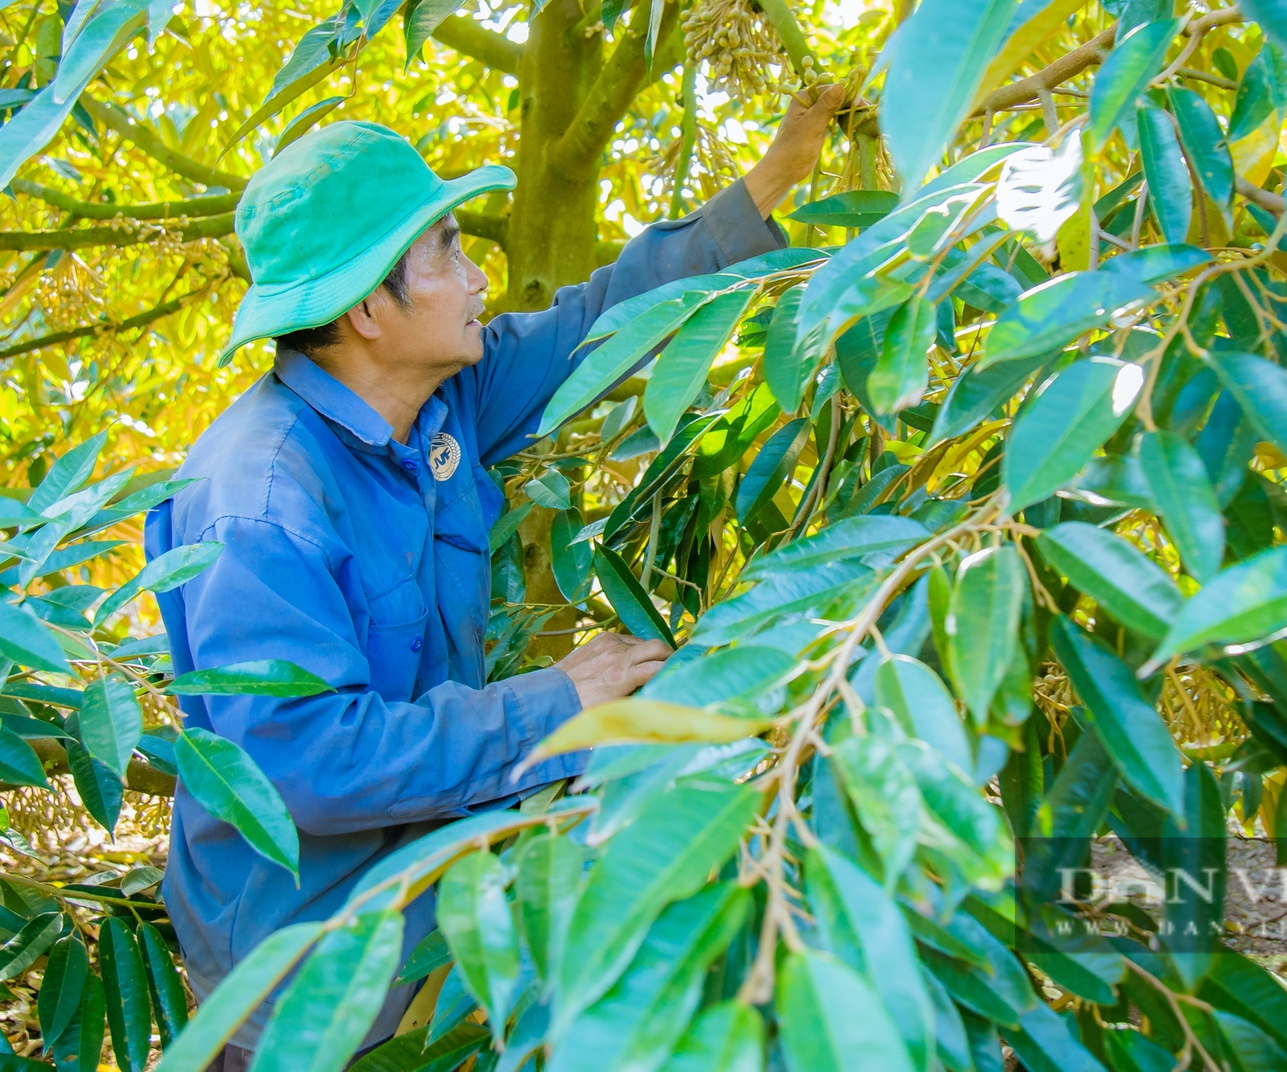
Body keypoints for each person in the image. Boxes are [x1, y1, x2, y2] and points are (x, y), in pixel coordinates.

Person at [144, 87, 843, 1060]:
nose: (479, 278)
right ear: (364, 310)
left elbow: (603, 319)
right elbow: (305, 763)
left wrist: (776, 173)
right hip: (300, 955)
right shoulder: (259, 501)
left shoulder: (441, 399)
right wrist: (553, 701)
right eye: (448, 252)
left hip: (434, 887)